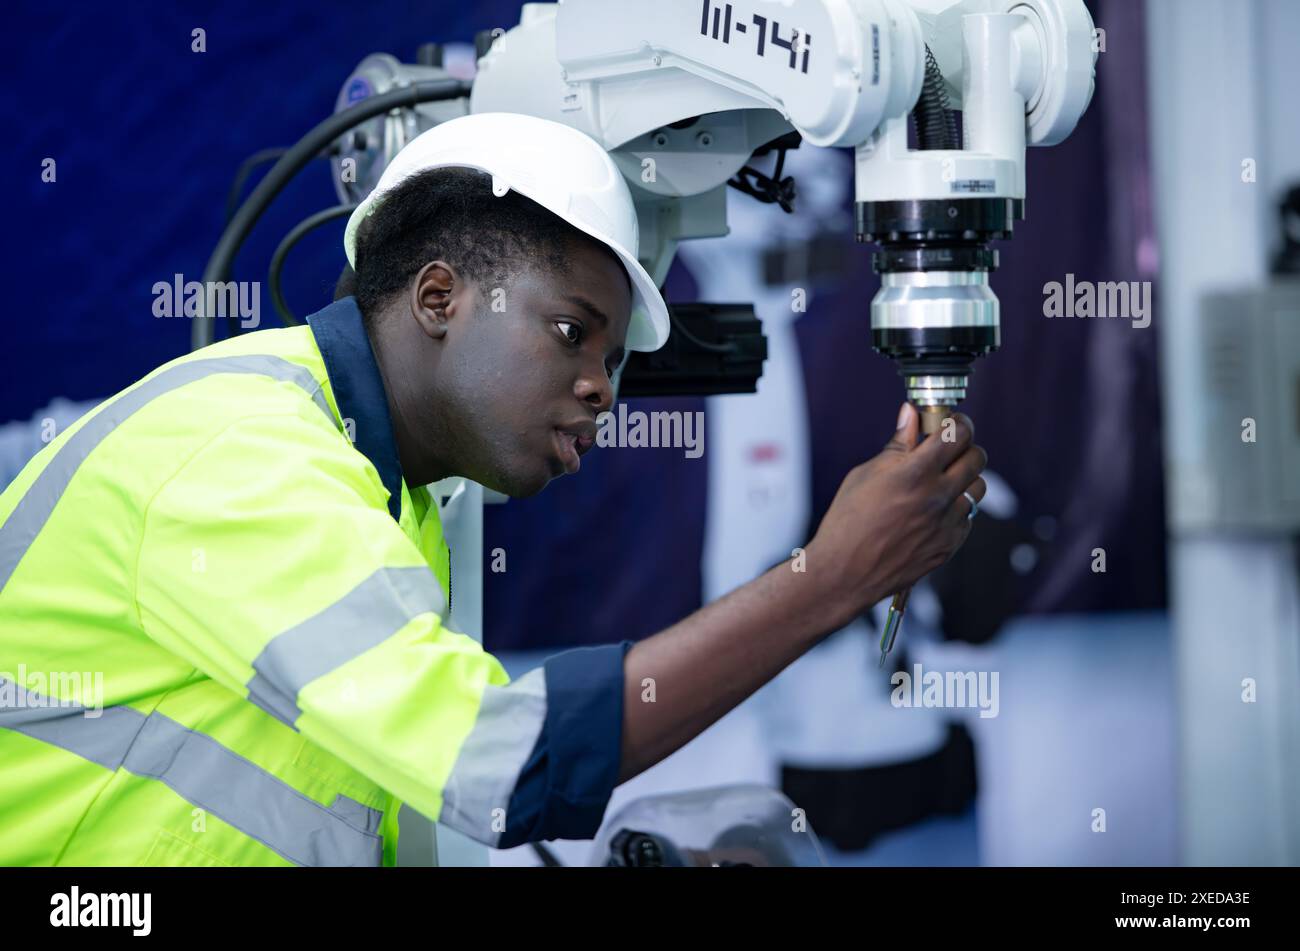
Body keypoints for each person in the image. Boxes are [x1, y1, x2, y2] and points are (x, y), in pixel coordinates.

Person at [0, 112, 985, 866]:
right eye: (570, 331)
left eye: (612, 356)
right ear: (439, 298)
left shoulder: (392, 496)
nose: (600, 383)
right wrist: (831, 577)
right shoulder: (245, 457)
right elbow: (501, 765)